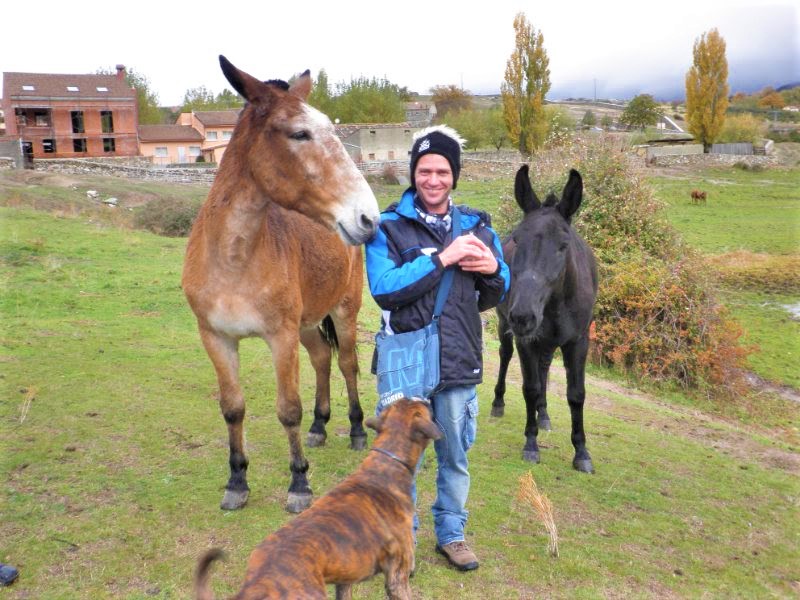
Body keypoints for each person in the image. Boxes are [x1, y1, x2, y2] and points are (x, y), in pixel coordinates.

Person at [365, 125, 510, 571]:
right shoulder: (387, 227)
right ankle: (400, 542)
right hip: (407, 362)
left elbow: (498, 290)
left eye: (442, 171)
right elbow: (384, 289)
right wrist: (441, 259)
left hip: (458, 358)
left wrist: (493, 269)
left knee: (455, 455)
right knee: (400, 459)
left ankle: (451, 533)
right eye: (424, 170)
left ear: (454, 175)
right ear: (413, 173)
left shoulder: (478, 227)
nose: (433, 180)